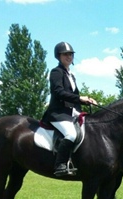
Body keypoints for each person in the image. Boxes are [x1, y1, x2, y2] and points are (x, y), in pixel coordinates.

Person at [42, 42, 97, 177]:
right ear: (58, 56)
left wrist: (86, 100)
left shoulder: (71, 75)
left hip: (71, 112)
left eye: (71, 54)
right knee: (71, 134)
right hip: (58, 113)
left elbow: (72, 96)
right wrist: (80, 98)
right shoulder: (56, 72)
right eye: (65, 54)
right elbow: (59, 92)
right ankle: (60, 164)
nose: (69, 57)